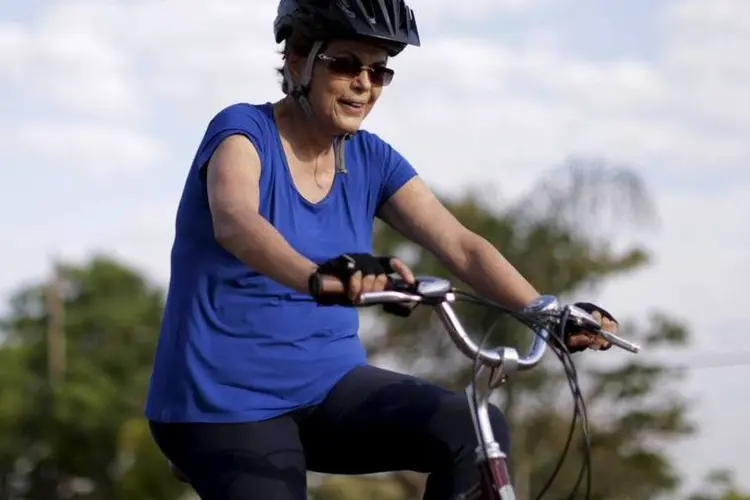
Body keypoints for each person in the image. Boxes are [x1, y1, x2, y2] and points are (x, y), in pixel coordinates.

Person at [144, 1, 619, 499]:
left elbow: (460, 246)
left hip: (328, 390)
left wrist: (547, 313)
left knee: (475, 431)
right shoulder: (243, 132)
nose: (363, 84)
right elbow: (237, 222)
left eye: (379, 71)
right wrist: (319, 276)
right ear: (297, 59)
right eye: (346, 64)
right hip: (222, 402)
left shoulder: (371, 158)